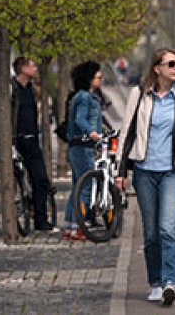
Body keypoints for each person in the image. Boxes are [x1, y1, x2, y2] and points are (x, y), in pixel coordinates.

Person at [116, 47, 175, 307]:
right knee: (150, 234)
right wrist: (121, 171)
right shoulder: (139, 95)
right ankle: (155, 283)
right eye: (171, 64)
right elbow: (128, 133)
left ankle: (170, 282)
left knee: (167, 229)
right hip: (145, 172)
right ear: (157, 68)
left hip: (172, 172)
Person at [0, 56, 57, 231]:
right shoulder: (7, 89)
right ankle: (17, 211)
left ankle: (40, 218)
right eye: (32, 65)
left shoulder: (32, 89)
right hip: (13, 141)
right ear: (22, 68)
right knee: (14, 177)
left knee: (41, 180)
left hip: (31, 140)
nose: (35, 67)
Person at [62, 61, 104, 241]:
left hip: (76, 146)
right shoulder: (85, 98)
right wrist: (92, 133)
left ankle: (69, 226)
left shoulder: (82, 96)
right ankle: (80, 226)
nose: (101, 80)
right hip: (83, 146)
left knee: (76, 187)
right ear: (89, 79)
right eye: (98, 77)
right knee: (86, 186)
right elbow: (81, 120)